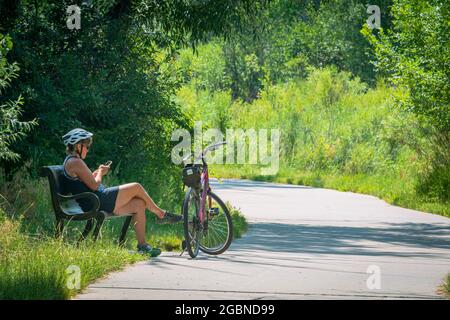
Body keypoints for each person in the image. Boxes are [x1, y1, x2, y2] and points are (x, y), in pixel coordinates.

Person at [60, 128, 182, 257]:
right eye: (87, 146)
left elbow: (89, 183)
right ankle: (160, 214)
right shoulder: (76, 162)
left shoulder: (72, 161)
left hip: (95, 199)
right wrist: (101, 172)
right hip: (95, 201)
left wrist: (96, 174)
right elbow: (95, 186)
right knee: (136, 187)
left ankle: (143, 245)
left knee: (139, 204)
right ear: (78, 145)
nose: (88, 149)